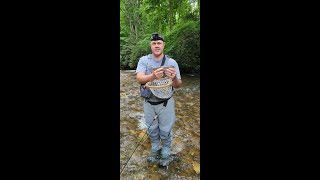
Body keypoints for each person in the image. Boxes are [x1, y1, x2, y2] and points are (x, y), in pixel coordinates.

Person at [135, 33, 182, 167]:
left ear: (163, 45)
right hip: (149, 101)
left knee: (166, 130)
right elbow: (139, 79)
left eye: (159, 43)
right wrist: (153, 76)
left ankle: (166, 150)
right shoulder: (144, 60)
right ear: (150, 45)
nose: (156, 45)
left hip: (166, 102)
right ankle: (155, 147)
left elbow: (178, 85)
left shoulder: (171, 62)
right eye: (154, 43)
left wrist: (173, 78)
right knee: (152, 129)